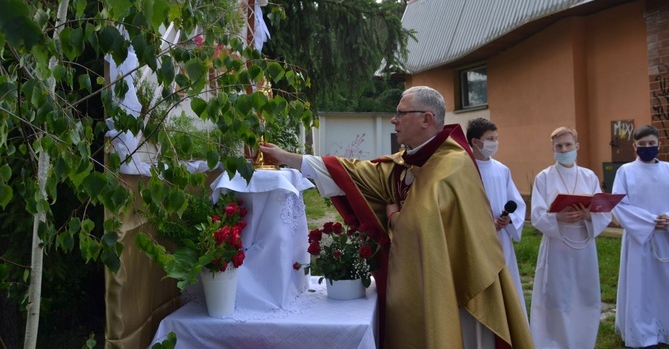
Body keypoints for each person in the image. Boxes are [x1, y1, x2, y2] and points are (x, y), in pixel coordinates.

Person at [260, 86, 533, 349]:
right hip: (428, 278)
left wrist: (393, 218)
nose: (394, 119)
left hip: (459, 288)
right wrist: (288, 158)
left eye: (401, 113)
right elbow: (354, 172)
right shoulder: (412, 159)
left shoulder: (451, 165)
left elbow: (420, 224)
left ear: (426, 119)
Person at [529, 126, 611, 348]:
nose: (564, 149)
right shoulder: (544, 178)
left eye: (568, 145)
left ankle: (582, 341)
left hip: (584, 245)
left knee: (585, 296)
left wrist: (588, 215)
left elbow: (603, 212)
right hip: (557, 245)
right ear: (553, 149)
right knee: (558, 298)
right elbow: (536, 215)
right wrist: (559, 217)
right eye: (559, 146)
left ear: (577, 146)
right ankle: (554, 342)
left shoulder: (589, 176)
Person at [611, 124, 669, 348]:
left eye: (651, 144)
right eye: (642, 145)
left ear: (659, 145)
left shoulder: (667, 169)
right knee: (641, 286)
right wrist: (650, 222)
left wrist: (668, 219)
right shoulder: (625, 171)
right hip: (639, 238)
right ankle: (642, 332)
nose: (647, 148)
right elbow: (619, 204)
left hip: (666, 237)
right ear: (634, 146)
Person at [466, 118, 527, 321]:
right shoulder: (464, 169)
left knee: (507, 286)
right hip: (476, 241)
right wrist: (484, 226)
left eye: (496, 138)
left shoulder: (502, 170)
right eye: (490, 138)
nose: (495, 142)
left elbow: (516, 203)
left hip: (501, 241)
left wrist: (508, 220)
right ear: (475, 142)